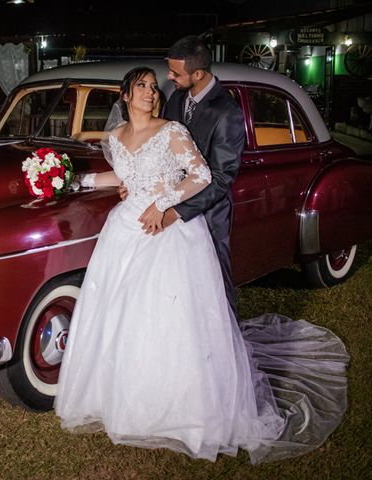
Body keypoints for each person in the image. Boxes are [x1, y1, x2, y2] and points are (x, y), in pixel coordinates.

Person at [55, 66, 349, 464]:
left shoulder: (172, 131)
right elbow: (122, 175)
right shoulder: (116, 137)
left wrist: (164, 203)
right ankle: (127, 395)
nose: (150, 92)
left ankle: (185, 406)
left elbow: (201, 175)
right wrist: (74, 182)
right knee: (123, 311)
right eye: (140, 86)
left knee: (171, 314)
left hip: (168, 228)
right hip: (124, 229)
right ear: (124, 95)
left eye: (154, 87)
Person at [122, 36, 244, 319]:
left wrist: (175, 211)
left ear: (198, 74)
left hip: (206, 216)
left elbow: (221, 177)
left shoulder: (227, 112)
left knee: (215, 289)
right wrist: (138, 182)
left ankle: (226, 352)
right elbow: (160, 147)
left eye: (175, 73)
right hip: (166, 206)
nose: (169, 77)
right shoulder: (177, 98)